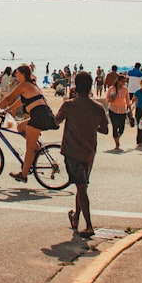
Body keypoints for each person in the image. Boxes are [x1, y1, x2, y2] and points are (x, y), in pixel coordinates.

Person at [55, 71, 109, 238]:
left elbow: (57, 120)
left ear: (75, 86)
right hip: (89, 152)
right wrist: (92, 127)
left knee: (81, 186)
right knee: (82, 184)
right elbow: (105, 130)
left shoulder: (69, 105)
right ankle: (76, 218)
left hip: (72, 151)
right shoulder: (98, 108)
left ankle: (89, 225)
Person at [0, 64, 59, 183]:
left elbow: (8, 99)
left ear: (22, 74)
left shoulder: (24, 85)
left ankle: (23, 175)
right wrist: (6, 110)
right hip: (41, 114)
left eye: (17, 73)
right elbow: (20, 101)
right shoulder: (29, 85)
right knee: (20, 127)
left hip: (39, 116)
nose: (15, 75)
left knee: (29, 148)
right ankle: (37, 149)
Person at [106, 75, 130, 151]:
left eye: (124, 81)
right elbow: (107, 99)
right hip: (113, 109)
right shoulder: (112, 88)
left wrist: (130, 111)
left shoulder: (125, 89)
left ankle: (117, 138)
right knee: (115, 126)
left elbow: (128, 101)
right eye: (122, 81)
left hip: (122, 110)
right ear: (118, 81)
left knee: (122, 127)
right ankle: (117, 143)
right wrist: (111, 99)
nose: (123, 83)